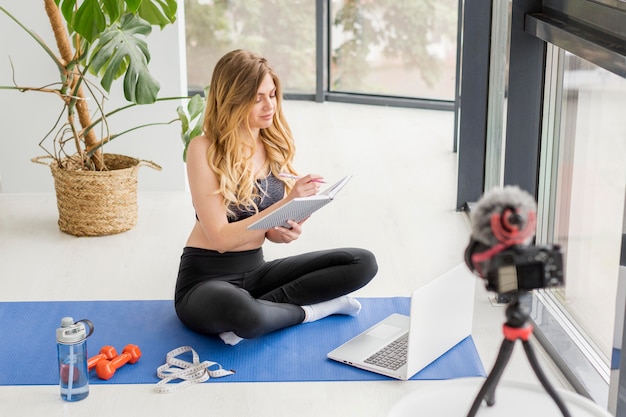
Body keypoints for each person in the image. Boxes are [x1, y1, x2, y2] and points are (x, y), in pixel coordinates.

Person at [174, 50, 378, 345]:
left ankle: (258, 315)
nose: (269, 105)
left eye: (272, 94)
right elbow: (220, 239)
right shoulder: (203, 149)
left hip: (256, 273)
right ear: (232, 98)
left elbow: (267, 231)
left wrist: (286, 225)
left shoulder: (270, 144)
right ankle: (311, 312)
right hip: (206, 280)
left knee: (362, 262)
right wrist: (284, 203)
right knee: (245, 312)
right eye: (257, 98)